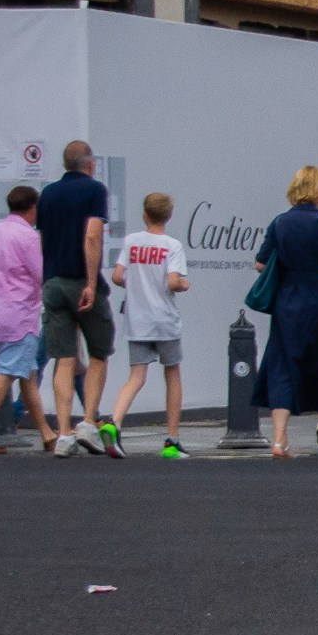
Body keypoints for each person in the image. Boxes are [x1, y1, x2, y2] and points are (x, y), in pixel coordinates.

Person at [250, 165, 318, 459]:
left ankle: (278, 440)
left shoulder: (280, 223)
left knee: (282, 368)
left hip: (286, 303)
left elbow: (261, 263)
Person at [37, 140, 113, 455]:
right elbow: (92, 236)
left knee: (64, 358)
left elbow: (42, 239)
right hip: (81, 279)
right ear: (90, 164)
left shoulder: (47, 194)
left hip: (53, 282)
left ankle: (64, 433)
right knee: (98, 352)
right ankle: (87, 422)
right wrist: (92, 283)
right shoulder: (95, 191)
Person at [107, 191, 190, 458]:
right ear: (169, 216)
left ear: (145, 214)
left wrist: (133, 285)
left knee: (136, 377)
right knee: (172, 373)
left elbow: (117, 275)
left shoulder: (131, 241)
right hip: (164, 320)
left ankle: (114, 422)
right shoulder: (172, 245)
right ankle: (171, 440)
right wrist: (185, 284)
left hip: (137, 320)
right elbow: (174, 281)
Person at [0, 185, 53, 457]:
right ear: (33, 209)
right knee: (6, 373)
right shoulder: (28, 237)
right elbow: (41, 274)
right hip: (21, 314)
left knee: (28, 375)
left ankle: (47, 434)